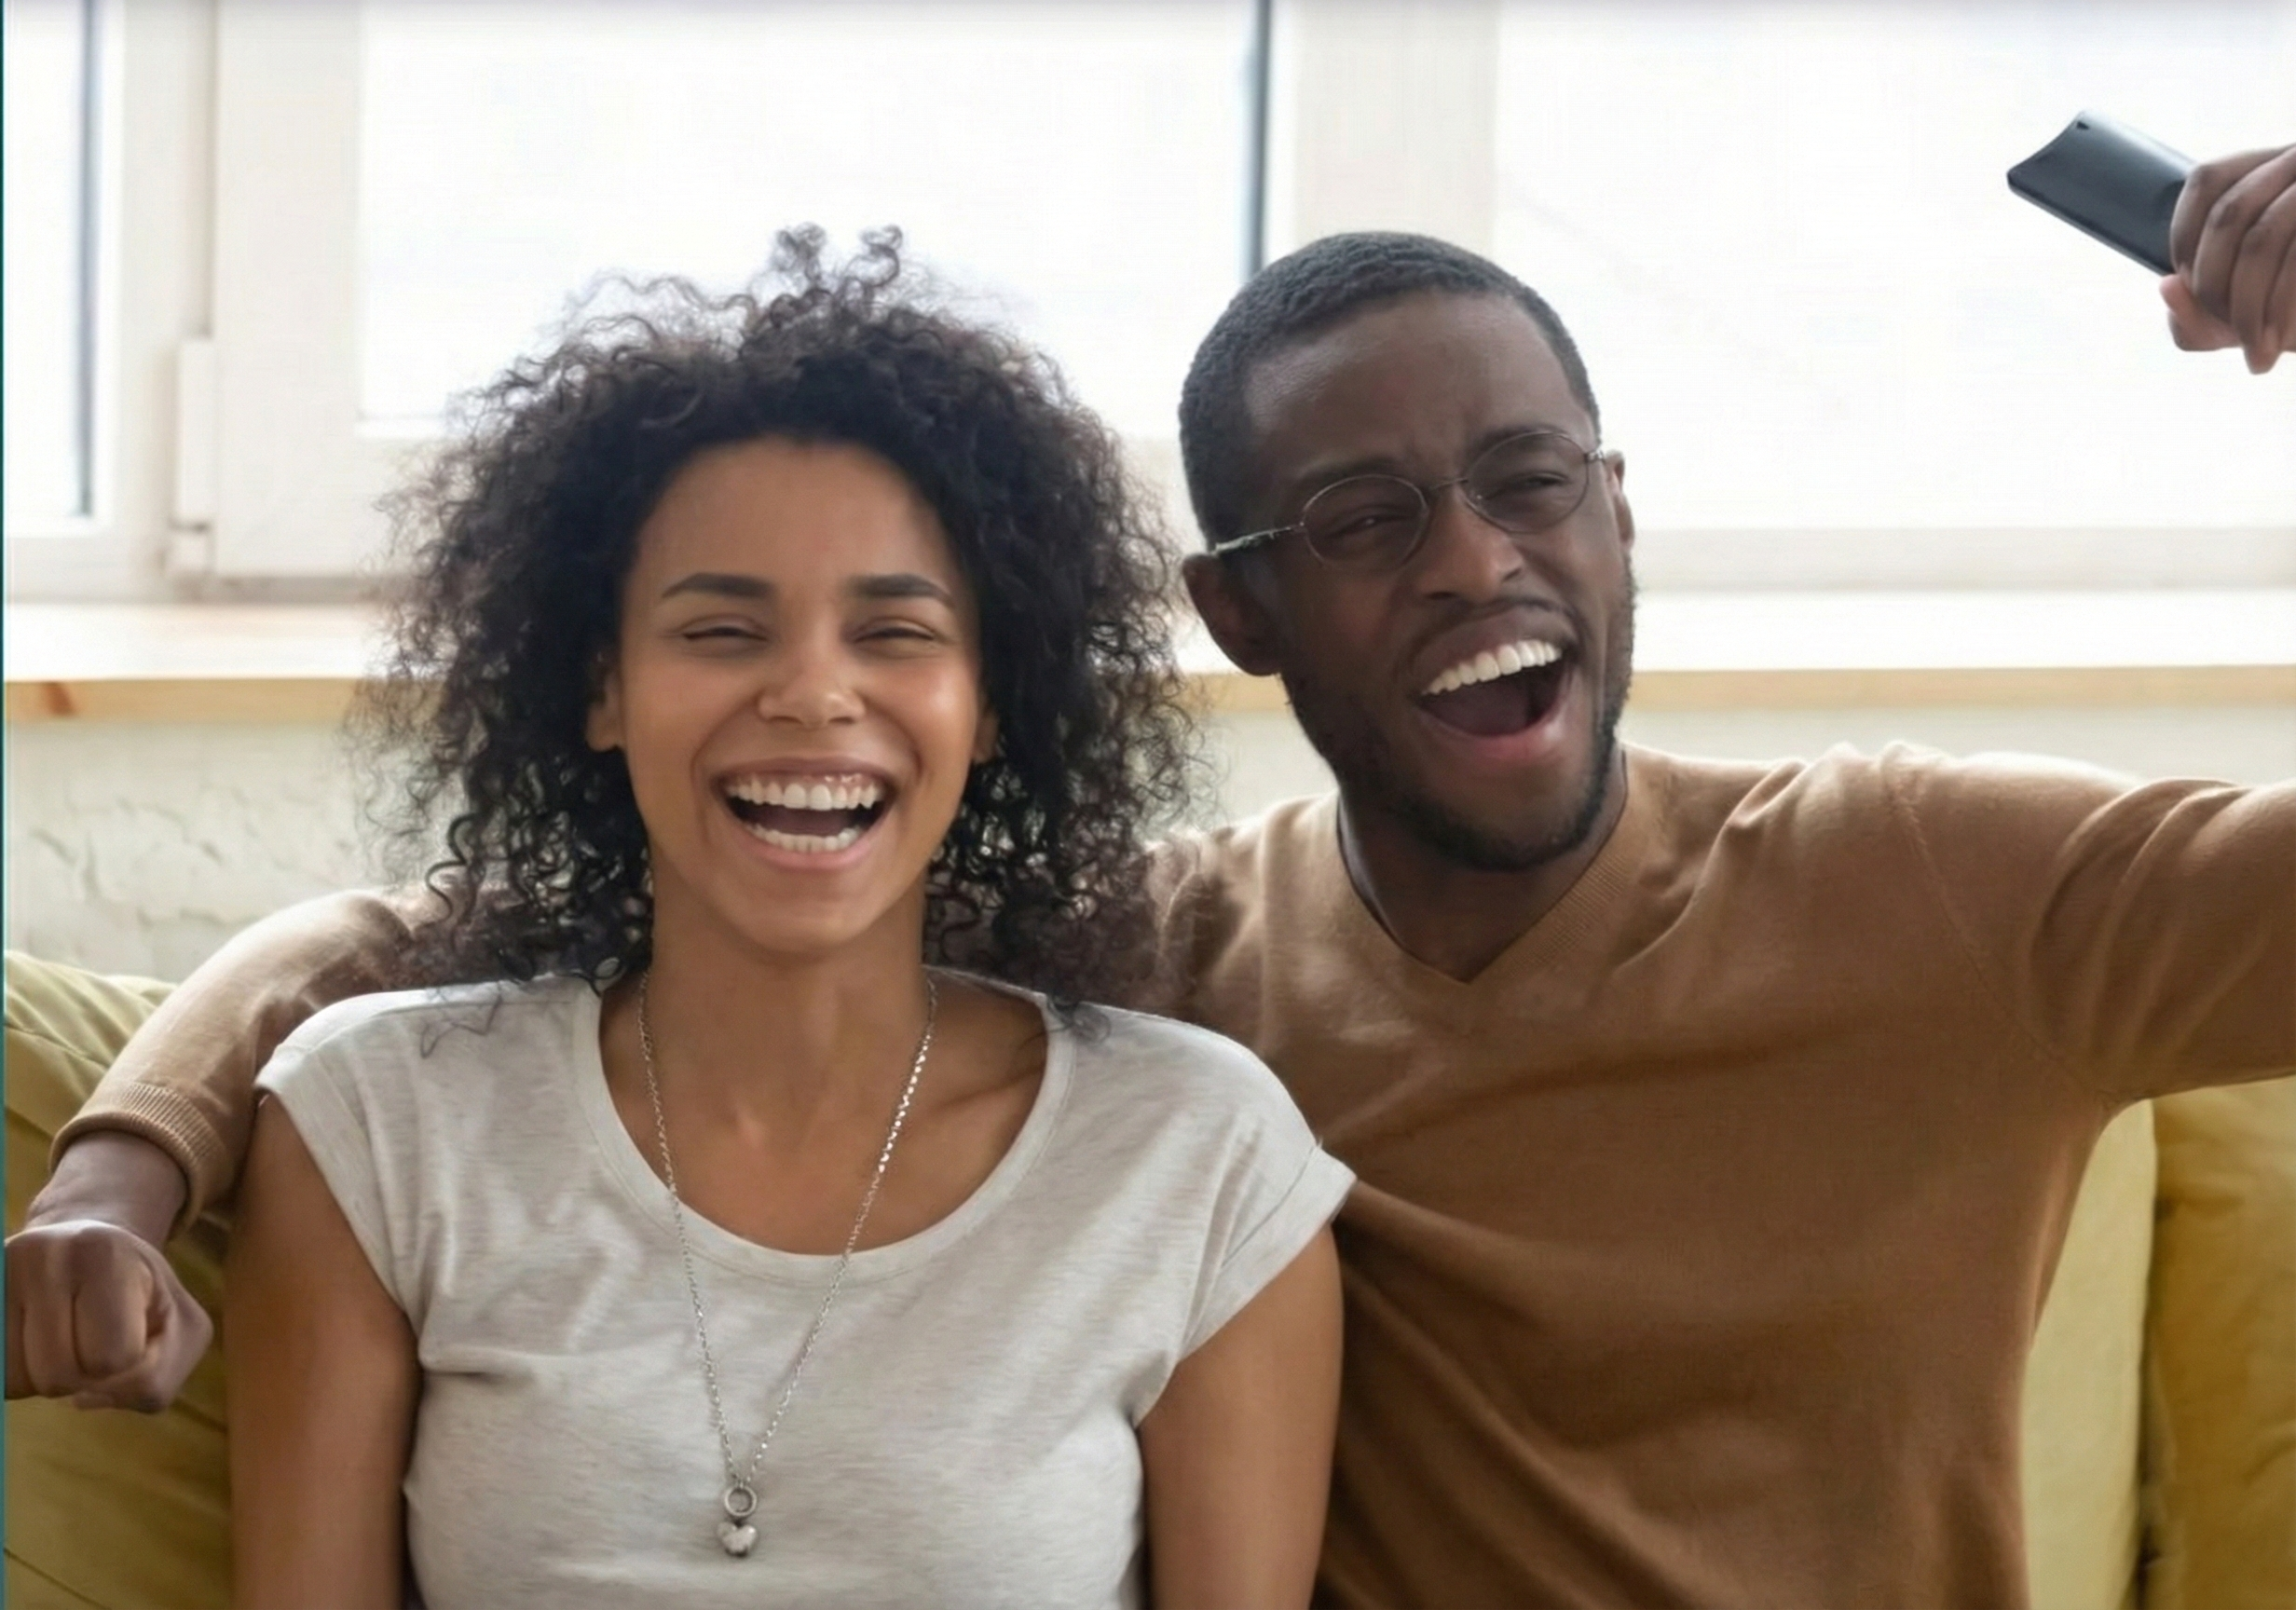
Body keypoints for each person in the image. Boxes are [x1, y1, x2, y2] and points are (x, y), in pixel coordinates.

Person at [11, 146, 2293, 1609]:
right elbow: (406, 960)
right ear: (1235, 613)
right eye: (1363, 523)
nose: (1475, 564)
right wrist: (127, 1161)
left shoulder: (1959, 893)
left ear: (1617, 515)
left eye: (1531, 486)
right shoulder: (1170, 969)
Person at [48, 233, 1354, 1610]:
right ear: (600, 689)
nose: (809, 693)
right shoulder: (381, 1125)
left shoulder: (1199, 1163)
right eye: (721, 631)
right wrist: (109, 1176)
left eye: (896, 633)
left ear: (993, 705)